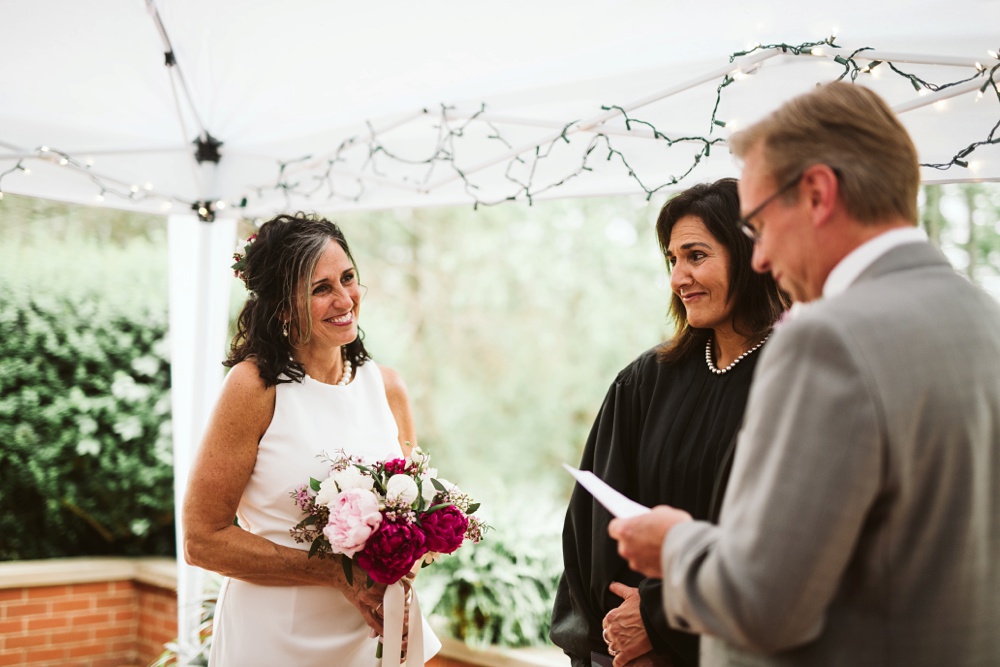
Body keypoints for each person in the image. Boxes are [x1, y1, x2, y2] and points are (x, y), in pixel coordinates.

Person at [609, 81, 1000, 666]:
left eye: (761, 225)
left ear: (817, 194)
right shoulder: (983, 318)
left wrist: (675, 545)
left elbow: (764, 601)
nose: (760, 258)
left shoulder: (826, 340)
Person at [182, 213, 439, 666]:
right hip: (276, 639)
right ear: (282, 306)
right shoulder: (254, 387)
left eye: (348, 278)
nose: (345, 300)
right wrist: (338, 575)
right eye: (321, 289)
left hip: (369, 639)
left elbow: (415, 516)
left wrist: (405, 561)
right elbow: (202, 539)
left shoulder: (388, 387)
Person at [551, 178, 788, 667]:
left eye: (696, 256)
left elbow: (782, 548)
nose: (679, 277)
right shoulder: (645, 381)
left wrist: (659, 620)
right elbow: (592, 527)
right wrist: (622, 632)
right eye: (672, 259)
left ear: (751, 255)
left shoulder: (794, 384)